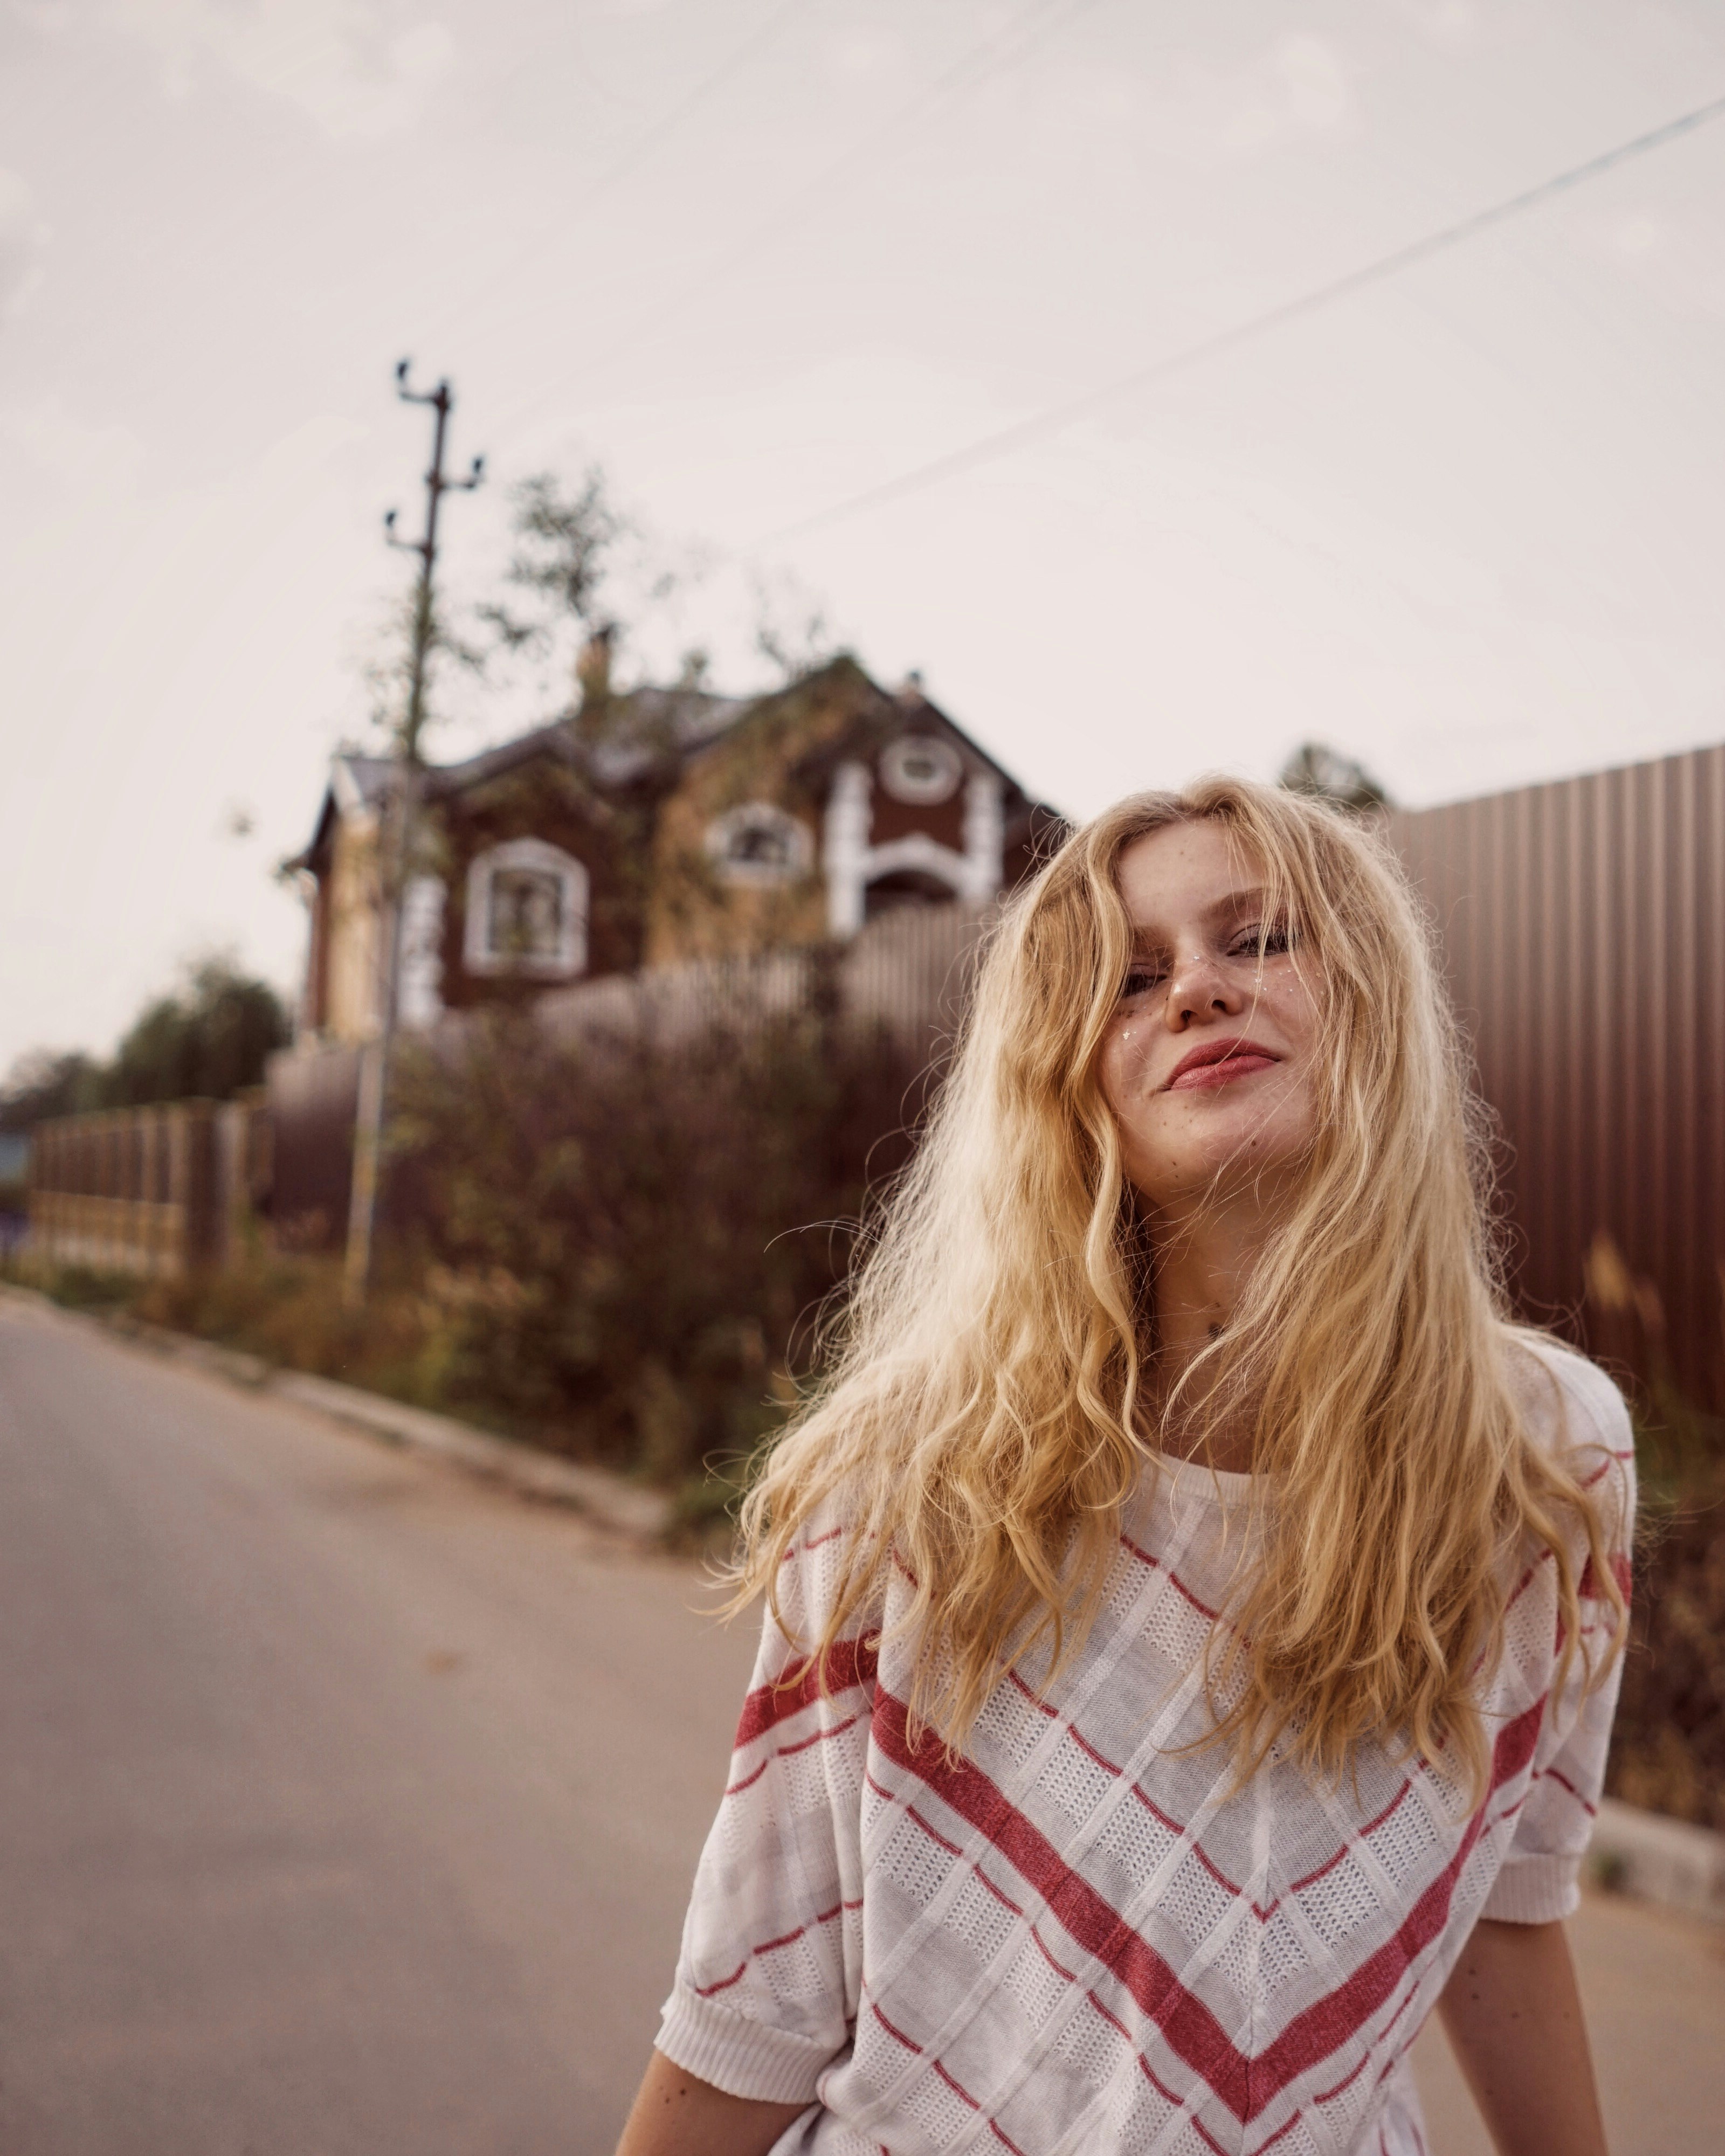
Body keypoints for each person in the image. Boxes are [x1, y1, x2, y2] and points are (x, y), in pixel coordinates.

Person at [616, 778, 1634, 2156]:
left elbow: (1508, 1899)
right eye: (1130, 975)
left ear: (1376, 1001)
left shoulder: (1550, 1454)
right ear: (1063, 1075)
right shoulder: (910, 1478)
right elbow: (753, 2001)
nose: (1198, 990)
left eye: (1259, 937)